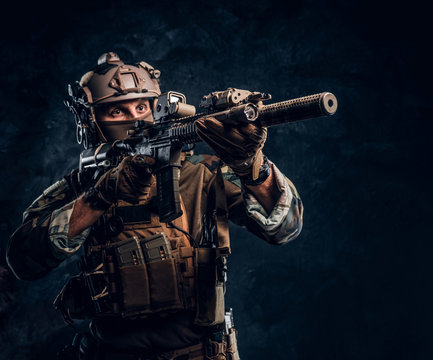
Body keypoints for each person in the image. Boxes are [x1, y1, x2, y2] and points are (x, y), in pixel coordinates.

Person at [6, 52, 303, 360]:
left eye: (143, 106)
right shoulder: (84, 185)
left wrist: (252, 166)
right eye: (117, 111)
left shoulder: (204, 173)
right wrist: (100, 196)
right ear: (92, 121)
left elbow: (286, 228)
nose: (135, 118)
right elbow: (22, 259)